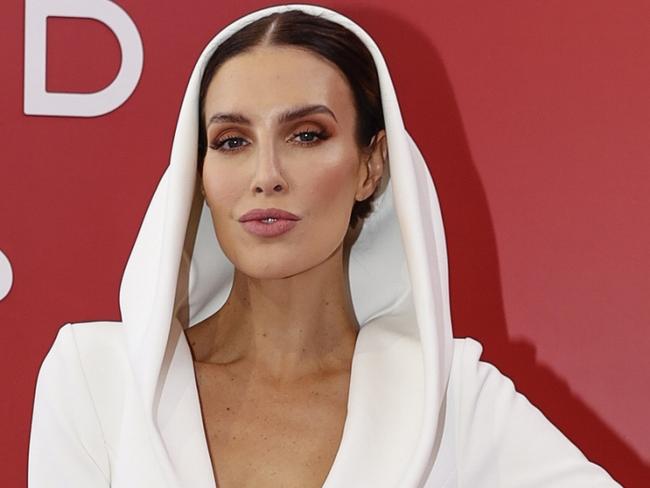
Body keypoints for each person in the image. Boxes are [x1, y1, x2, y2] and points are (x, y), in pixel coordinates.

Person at [27, 4, 621, 487]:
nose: (267, 174)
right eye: (232, 141)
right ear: (198, 171)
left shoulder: (450, 397)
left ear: (372, 165)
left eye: (306, 134)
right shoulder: (96, 377)